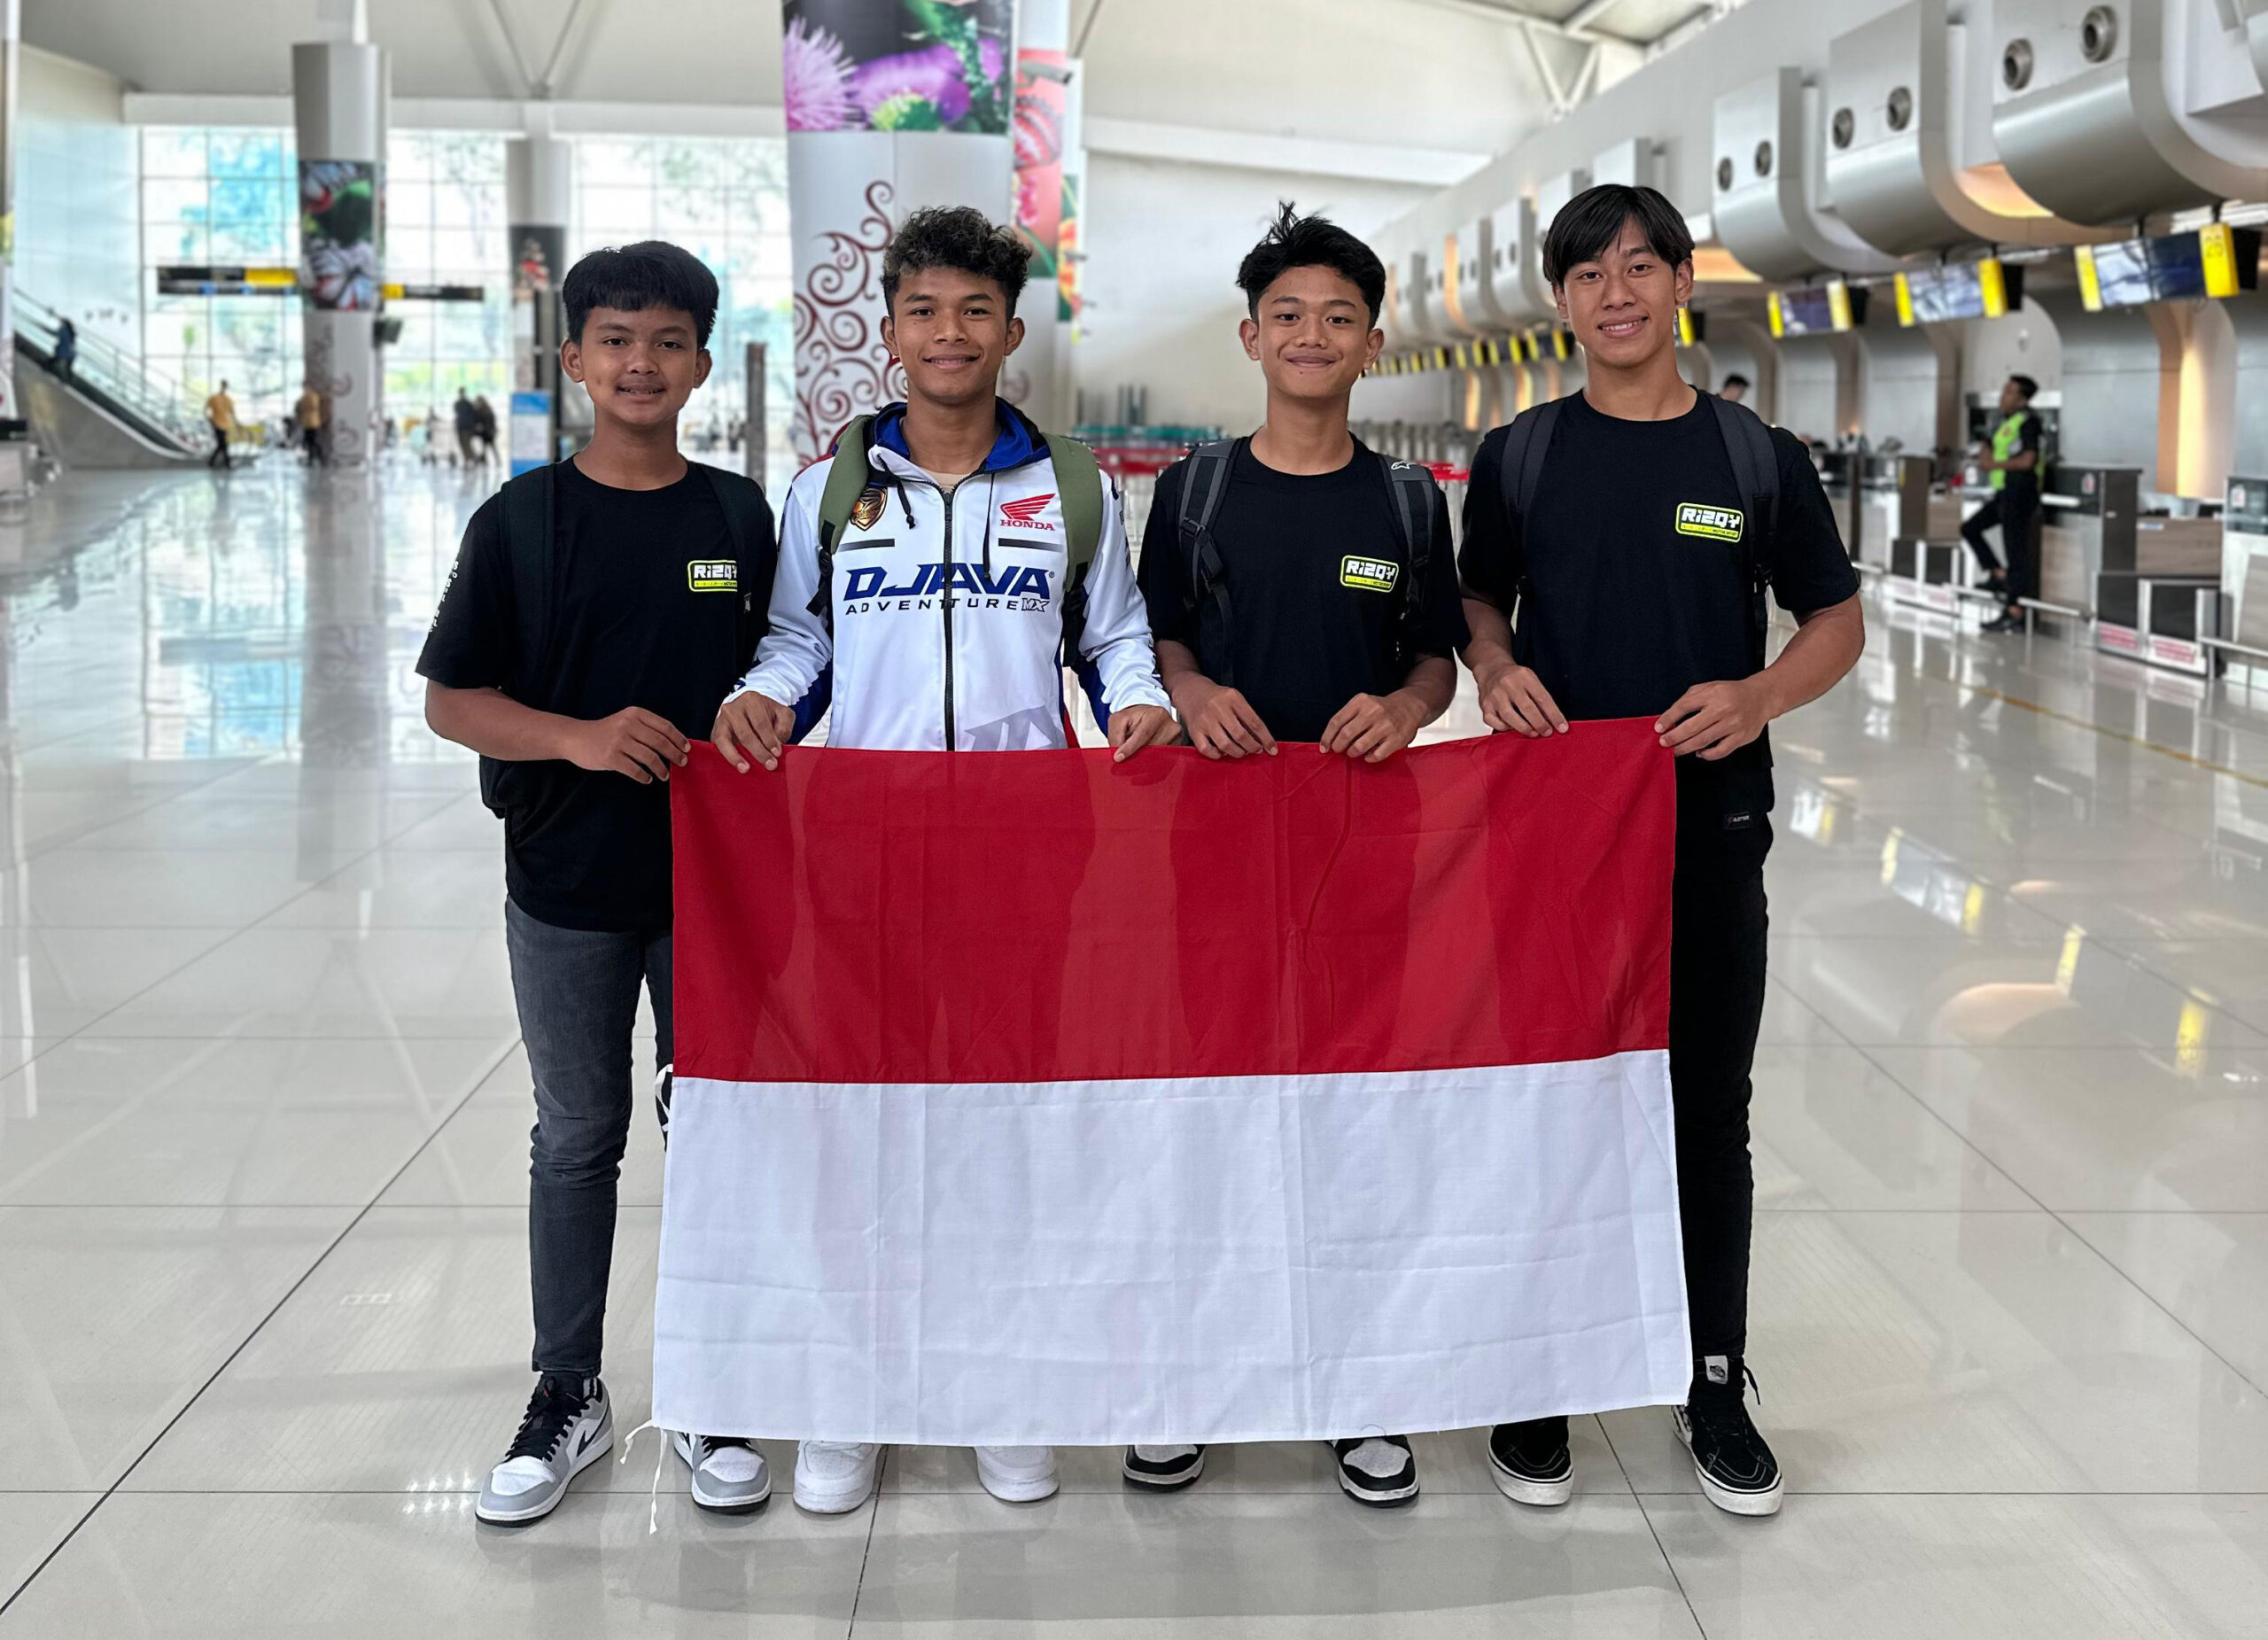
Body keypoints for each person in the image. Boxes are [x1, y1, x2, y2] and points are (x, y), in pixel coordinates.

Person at [711, 204, 1177, 1517]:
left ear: (1010, 331)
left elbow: (1115, 637)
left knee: (1006, 1122)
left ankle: (1001, 1387)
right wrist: (759, 695)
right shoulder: (829, 487)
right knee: (864, 1119)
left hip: (1031, 851)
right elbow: (800, 646)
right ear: (892, 328)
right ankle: (854, 1396)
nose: (949, 331)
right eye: (924, 309)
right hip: (864, 848)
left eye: (975, 309)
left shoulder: (1073, 487)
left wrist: (1139, 700)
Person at [1457, 183, 1864, 1520]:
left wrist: (1757, 697)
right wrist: (1500, 659)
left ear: (1683, 282)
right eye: (1587, 274)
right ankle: (1537, 1371)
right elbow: (1477, 596)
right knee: (1554, 1097)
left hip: (1707, 824)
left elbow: (1833, 618)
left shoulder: (1752, 457)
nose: (1614, 293)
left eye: (1640, 266)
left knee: (1706, 1107)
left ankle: (1714, 1374)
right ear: (1560, 300)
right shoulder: (1520, 456)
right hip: (1553, 833)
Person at [419, 240, 782, 1527]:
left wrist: (758, 711)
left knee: (724, 1134)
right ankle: (567, 1386)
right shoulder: (518, 520)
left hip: (721, 891)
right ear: (572, 357)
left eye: (669, 340)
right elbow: (453, 699)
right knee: (578, 1137)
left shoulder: (740, 515)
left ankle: (715, 1382)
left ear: (702, 361)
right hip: (566, 883)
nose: (643, 362)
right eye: (617, 338)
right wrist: (575, 735)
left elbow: (789, 664)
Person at [1123, 205, 1466, 1508]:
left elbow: (1434, 652)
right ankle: (1200, 1368)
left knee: (1351, 1107)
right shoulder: (1197, 491)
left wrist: (1414, 705)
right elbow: (1149, 638)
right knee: (1209, 1105)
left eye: (1339, 316)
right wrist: (1190, 685)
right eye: (1288, 315)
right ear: (1251, 335)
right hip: (1209, 856)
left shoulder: (1405, 500)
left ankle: (1356, 1378)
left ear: (1371, 342)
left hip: (1362, 856)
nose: (1311, 335)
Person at [1960, 374, 2042, 633]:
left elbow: (2028, 460)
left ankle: (2014, 610)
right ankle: (1997, 574)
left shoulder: (2028, 423)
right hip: (2003, 492)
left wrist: (1993, 463)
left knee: (2015, 550)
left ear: (2022, 399)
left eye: (2008, 392)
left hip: (2020, 492)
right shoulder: (2005, 423)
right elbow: (1989, 452)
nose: (2002, 396)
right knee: (1970, 528)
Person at [204, 380, 236, 470]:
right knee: (224, 444)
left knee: (222, 445)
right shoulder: (214, 398)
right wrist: (211, 420)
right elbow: (205, 411)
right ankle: (227, 464)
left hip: (226, 425)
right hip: (217, 424)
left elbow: (232, 413)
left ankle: (212, 462)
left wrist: (237, 423)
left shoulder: (229, 400)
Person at [295, 383, 326, 466]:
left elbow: (306, 406)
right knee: (310, 442)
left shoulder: (311, 397)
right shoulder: (309, 397)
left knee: (312, 442)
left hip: (311, 422)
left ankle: (315, 458)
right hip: (309, 422)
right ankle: (314, 458)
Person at [453, 388, 478, 466]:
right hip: (460, 426)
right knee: (462, 444)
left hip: (467, 427)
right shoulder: (457, 404)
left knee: (467, 443)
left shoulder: (468, 404)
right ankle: (468, 458)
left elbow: (473, 415)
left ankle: (471, 458)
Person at [475, 393, 501, 465]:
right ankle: (495, 461)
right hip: (488, 431)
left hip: (487, 431)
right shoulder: (487, 408)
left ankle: (488, 461)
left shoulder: (482, 410)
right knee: (489, 447)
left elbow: (480, 419)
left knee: (489, 446)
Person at [52, 318, 76, 382]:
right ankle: (67, 380)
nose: (61, 324)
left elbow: (55, 334)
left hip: (63, 352)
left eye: (62, 323)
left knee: (57, 362)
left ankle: (64, 379)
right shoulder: (71, 333)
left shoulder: (64, 331)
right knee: (67, 368)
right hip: (71, 353)